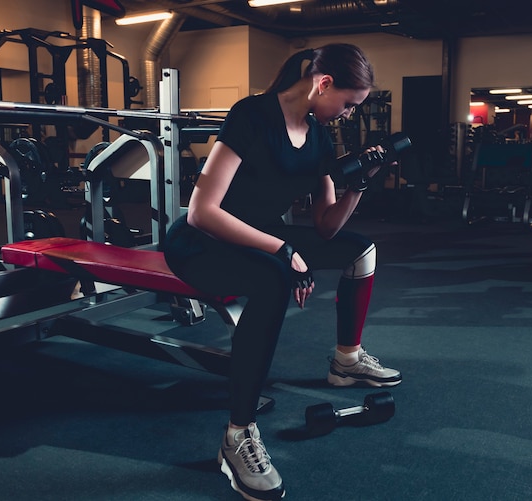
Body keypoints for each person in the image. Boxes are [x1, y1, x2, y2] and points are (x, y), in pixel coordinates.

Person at [163, 43, 401, 501]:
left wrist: (359, 185)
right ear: (324, 83)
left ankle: (346, 361)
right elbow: (201, 211)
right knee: (273, 281)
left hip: (265, 238)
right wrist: (282, 249)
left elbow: (328, 228)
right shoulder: (252, 116)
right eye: (349, 104)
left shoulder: (320, 139)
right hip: (203, 244)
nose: (349, 114)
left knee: (361, 248)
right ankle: (238, 435)